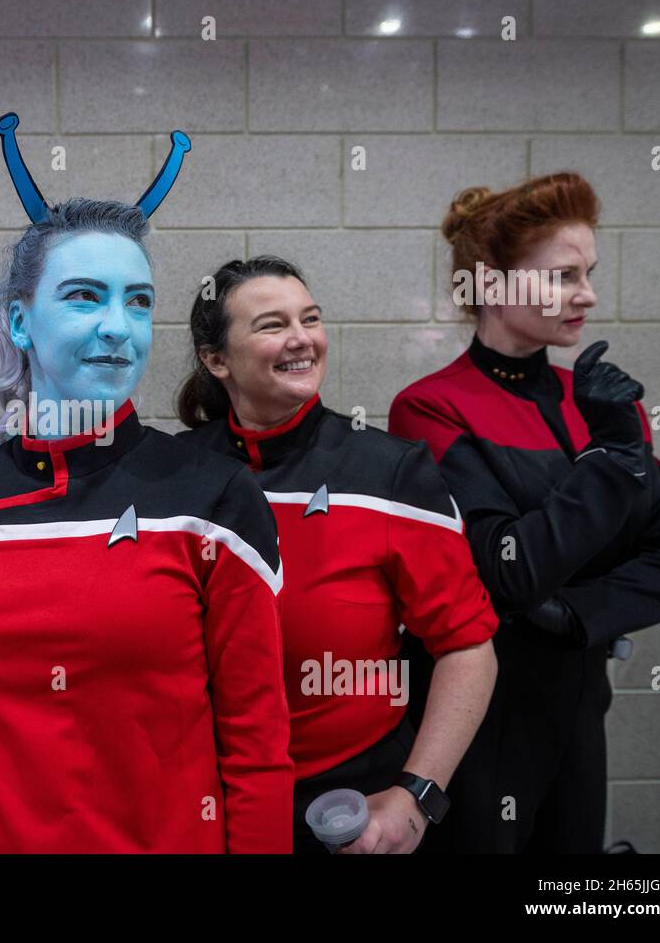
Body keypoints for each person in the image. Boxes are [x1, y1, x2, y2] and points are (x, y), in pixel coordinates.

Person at [0, 196, 294, 854]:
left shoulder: (214, 498)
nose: (119, 326)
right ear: (21, 322)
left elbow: (256, 741)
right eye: (86, 297)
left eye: (138, 302)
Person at [390, 172, 660, 853]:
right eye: (564, 276)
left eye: (589, 273)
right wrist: (609, 463)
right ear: (494, 285)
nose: (589, 295)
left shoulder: (600, 402)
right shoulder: (431, 408)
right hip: (482, 717)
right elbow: (507, 571)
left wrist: (573, 617)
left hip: (580, 707)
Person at [176, 255, 499, 854]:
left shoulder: (391, 471)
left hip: (349, 805)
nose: (302, 339)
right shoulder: (173, 475)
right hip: (203, 800)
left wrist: (416, 798)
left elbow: (467, 647)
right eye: (272, 325)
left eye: (311, 318)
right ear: (216, 359)